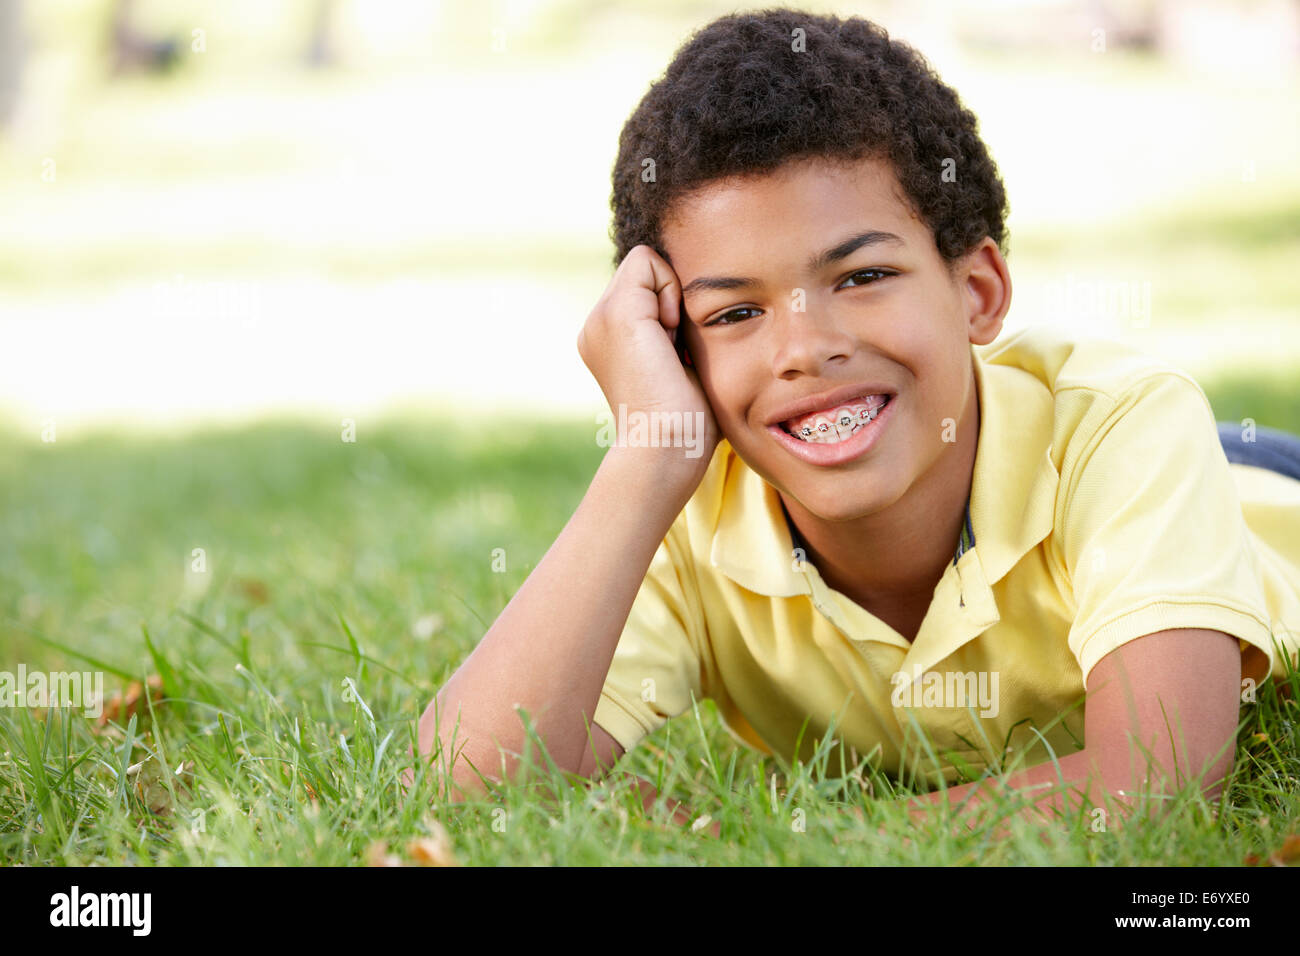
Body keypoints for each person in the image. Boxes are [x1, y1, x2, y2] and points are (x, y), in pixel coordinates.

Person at [415, 8, 1300, 833]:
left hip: (1254, 487)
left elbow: (1157, 781)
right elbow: (465, 785)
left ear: (977, 291)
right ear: (678, 351)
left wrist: (804, 838)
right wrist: (645, 461)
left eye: (861, 277)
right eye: (732, 315)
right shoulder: (691, 524)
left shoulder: (1124, 428)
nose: (803, 348)